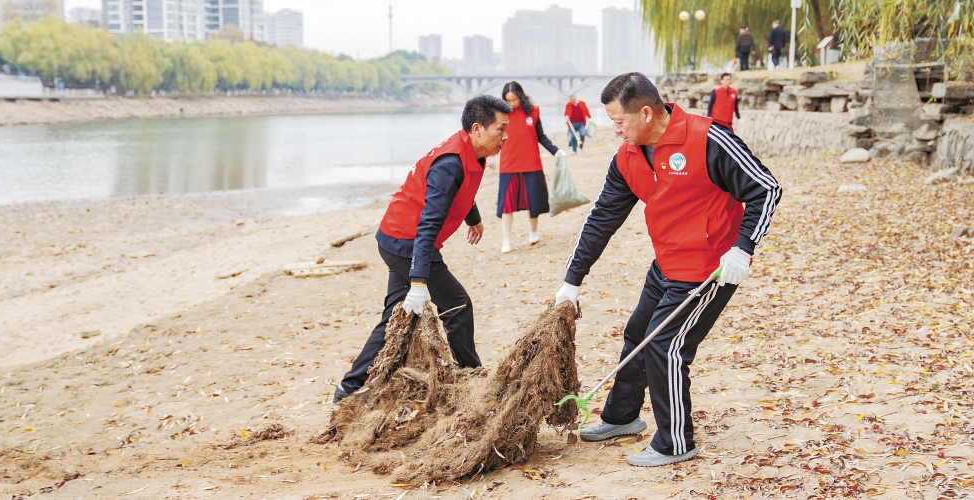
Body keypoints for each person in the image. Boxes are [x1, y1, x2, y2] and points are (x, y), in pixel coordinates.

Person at [554, 73, 781, 467]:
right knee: (639, 335)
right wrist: (571, 280)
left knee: (666, 347)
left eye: (619, 122)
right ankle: (621, 417)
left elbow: (766, 188)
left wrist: (742, 248)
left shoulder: (708, 138)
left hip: (710, 268)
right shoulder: (627, 156)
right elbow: (602, 218)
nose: (615, 131)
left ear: (646, 113)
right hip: (666, 263)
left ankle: (675, 441)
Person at [334, 95, 512, 403]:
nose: (506, 136)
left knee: (393, 316)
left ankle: (347, 389)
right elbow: (428, 225)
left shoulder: (471, 153)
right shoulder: (450, 163)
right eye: (501, 129)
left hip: (397, 239)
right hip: (407, 241)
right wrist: (418, 282)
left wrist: (475, 219)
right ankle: (471, 378)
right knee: (457, 305)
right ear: (477, 129)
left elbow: (462, 191)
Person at [498, 81, 565, 254]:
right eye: (508, 100)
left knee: (533, 200)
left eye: (514, 99)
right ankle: (506, 240)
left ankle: (533, 232)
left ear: (521, 96)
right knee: (506, 205)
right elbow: (493, 137)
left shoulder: (533, 112)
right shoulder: (500, 115)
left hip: (531, 162)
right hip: (508, 164)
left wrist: (555, 151)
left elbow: (541, 136)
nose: (512, 103)